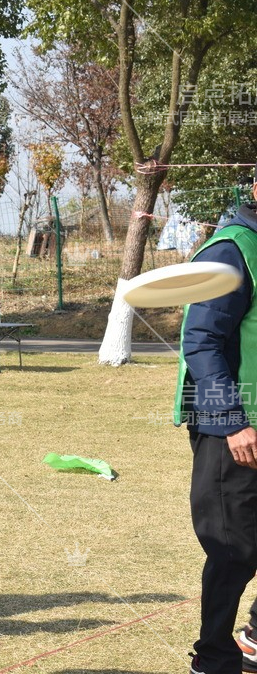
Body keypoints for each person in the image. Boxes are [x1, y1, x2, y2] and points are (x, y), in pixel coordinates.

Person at [176, 180, 257, 674]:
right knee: (234, 547)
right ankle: (213, 657)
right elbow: (201, 341)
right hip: (234, 427)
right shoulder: (232, 250)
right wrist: (232, 422)